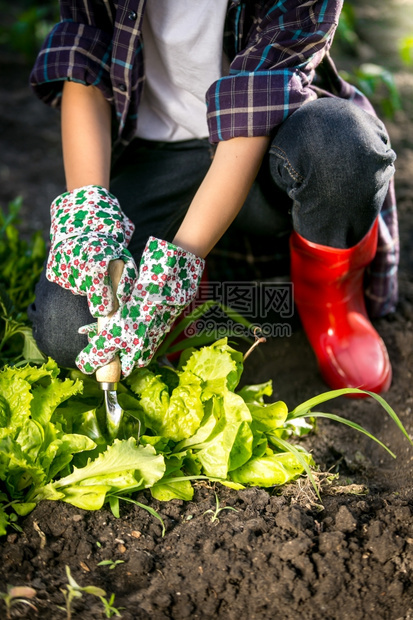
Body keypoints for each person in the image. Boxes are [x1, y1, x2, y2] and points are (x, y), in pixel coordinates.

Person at [28, 0, 399, 394]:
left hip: (270, 145)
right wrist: (89, 214)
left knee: (341, 146)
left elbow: (254, 101)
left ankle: (331, 306)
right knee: (68, 328)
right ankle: (221, 299)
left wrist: (173, 269)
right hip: (155, 156)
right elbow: (86, 51)